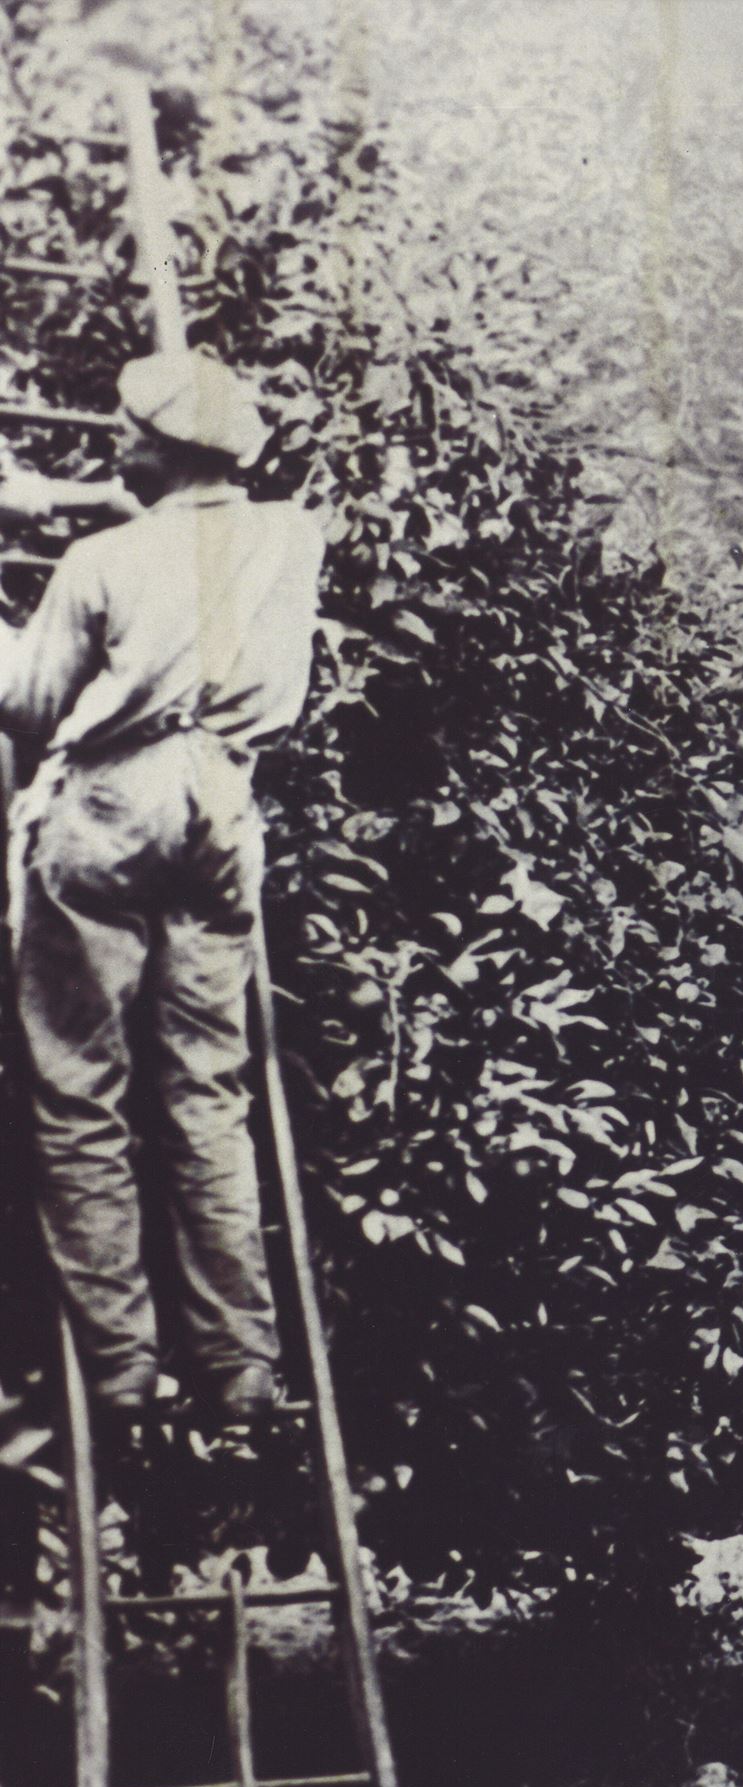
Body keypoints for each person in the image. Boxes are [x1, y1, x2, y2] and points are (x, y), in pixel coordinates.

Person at [0, 350, 325, 1421]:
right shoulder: (288, 537)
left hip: (114, 803)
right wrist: (132, 506)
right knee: (206, 1091)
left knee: (77, 1089)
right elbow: (197, 559)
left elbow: (32, 703)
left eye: (130, 433)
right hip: (222, 803)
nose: (115, 445)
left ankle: (123, 1368)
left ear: (167, 448)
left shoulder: (102, 560)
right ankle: (239, 1371)